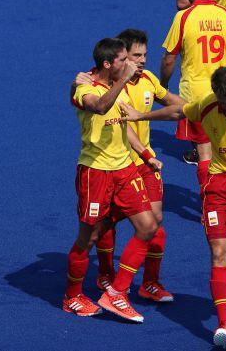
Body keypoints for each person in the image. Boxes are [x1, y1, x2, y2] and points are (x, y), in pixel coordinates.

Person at [119, 66, 226, 349]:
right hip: (219, 189)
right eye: (223, 102)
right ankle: (224, 325)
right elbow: (178, 112)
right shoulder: (207, 105)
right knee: (219, 253)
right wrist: (141, 115)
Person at [76, 29, 185, 303]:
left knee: (154, 223)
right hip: (113, 166)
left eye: (144, 55)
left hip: (141, 164)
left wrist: (211, 105)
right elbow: (113, 119)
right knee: (103, 226)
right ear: (118, 61)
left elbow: (180, 107)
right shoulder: (109, 85)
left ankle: (147, 283)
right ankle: (104, 274)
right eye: (135, 56)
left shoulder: (147, 80)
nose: (142, 61)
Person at [63, 38, 161, 323]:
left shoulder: (120, 84)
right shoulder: (84, 88)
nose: (130, 64)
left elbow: (122, 123)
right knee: (89, 237)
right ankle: (72, 297)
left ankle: (116, 293)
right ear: (107, 64)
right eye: (123, 60)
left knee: (148, 226)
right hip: (95, 173)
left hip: (124, 169)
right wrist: (124, 81)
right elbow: (101, 107)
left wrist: (144, 154)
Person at [161, 0, 226, 186]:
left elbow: (169, 59)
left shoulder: (184, 17)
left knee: (204, 152)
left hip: (197, 94)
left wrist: (163, 85)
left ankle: (210, 201)